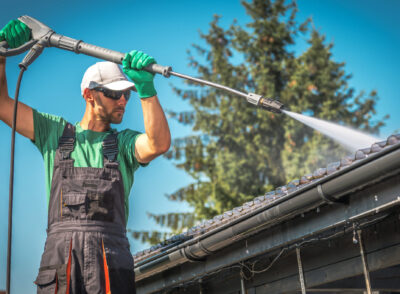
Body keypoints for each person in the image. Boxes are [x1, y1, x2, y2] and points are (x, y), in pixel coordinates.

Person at [0, 19, 171, 293]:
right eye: (114, 94)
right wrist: (1, 53)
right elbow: (2, 104)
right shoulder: (53, 132)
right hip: (62, 260)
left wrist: (147, 92)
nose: (123, 101)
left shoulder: (124, 143)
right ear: (89, 94)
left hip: (110, 261)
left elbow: (158, 144)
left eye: (126, 94)